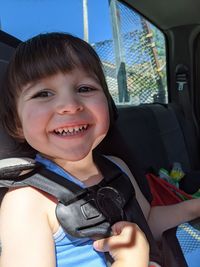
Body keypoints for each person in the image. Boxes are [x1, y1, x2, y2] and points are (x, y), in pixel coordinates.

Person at [0, 32, 200, 267]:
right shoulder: (27, 201)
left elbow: (147, 221)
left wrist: (193, 206)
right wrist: (130, 262)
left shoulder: (116, 166)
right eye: (43, 94)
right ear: (17, 124)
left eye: (85, 88)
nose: (70, 106)